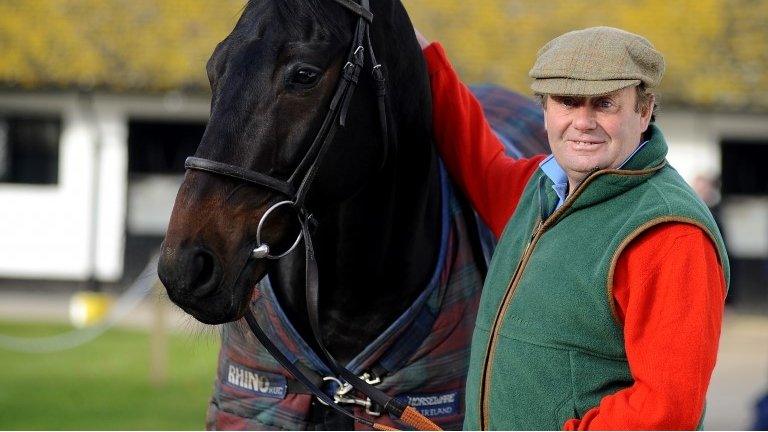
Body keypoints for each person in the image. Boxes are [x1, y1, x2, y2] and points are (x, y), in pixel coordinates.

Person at [415, 27, 729, 430]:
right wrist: (421, 53)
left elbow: (666, 410)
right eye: (567, 102)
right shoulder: (535, 191)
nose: (583, 122)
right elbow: (474, 151)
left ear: (644, 110)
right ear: (545, 109)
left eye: (604, 104)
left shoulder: (670, 234)